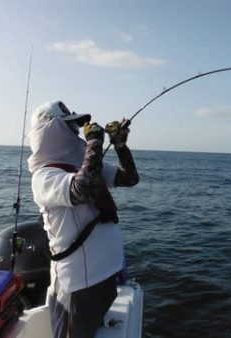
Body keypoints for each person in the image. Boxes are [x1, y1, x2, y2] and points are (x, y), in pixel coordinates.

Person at [27, 101, 139, 338]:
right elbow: (82, 188)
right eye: (69, 126)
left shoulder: (84, 163)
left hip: (105, 276)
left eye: (77, 126)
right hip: (78, 285)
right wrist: (95, 143)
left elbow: (129, 178)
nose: (77, 131)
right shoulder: (44, 175)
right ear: (50, 130)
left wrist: (119, 145)